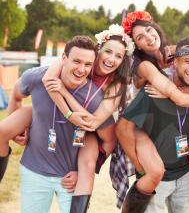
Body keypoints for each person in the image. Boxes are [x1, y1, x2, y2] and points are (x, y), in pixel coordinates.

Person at [5, 35, 115, 213]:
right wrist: (18, 128)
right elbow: (16, 94)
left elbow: (110, 139)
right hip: (34, 172)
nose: (81, 69)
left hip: (71, 179)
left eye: (88, 65)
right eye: (77, 61)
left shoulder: (95, 99)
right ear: (63, 58)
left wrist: (86, 171)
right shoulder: (36, 77)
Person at [111, 11, 189, 207]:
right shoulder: (144, 66)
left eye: (149, 30)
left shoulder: (173, 51)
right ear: (136, 45)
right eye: (140, 37)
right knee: (154, 171)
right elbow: (177, 96)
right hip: (143, 121)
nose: (148, 37)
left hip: (172, 118)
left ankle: (183, 177)